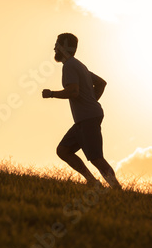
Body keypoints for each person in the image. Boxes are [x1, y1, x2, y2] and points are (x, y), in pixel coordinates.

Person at [42, 33, 122, 189]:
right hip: (86, 118)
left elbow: (73, 91)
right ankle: (92, 182)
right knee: (63, 150)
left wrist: (51, 94)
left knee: (96, 158)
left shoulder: (70, 66)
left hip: (88, 118)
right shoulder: (78, 65)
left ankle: (118, 189)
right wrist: (91, 101)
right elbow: (101, 83)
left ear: (64, 47)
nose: (54, 48)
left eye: (57, 44)